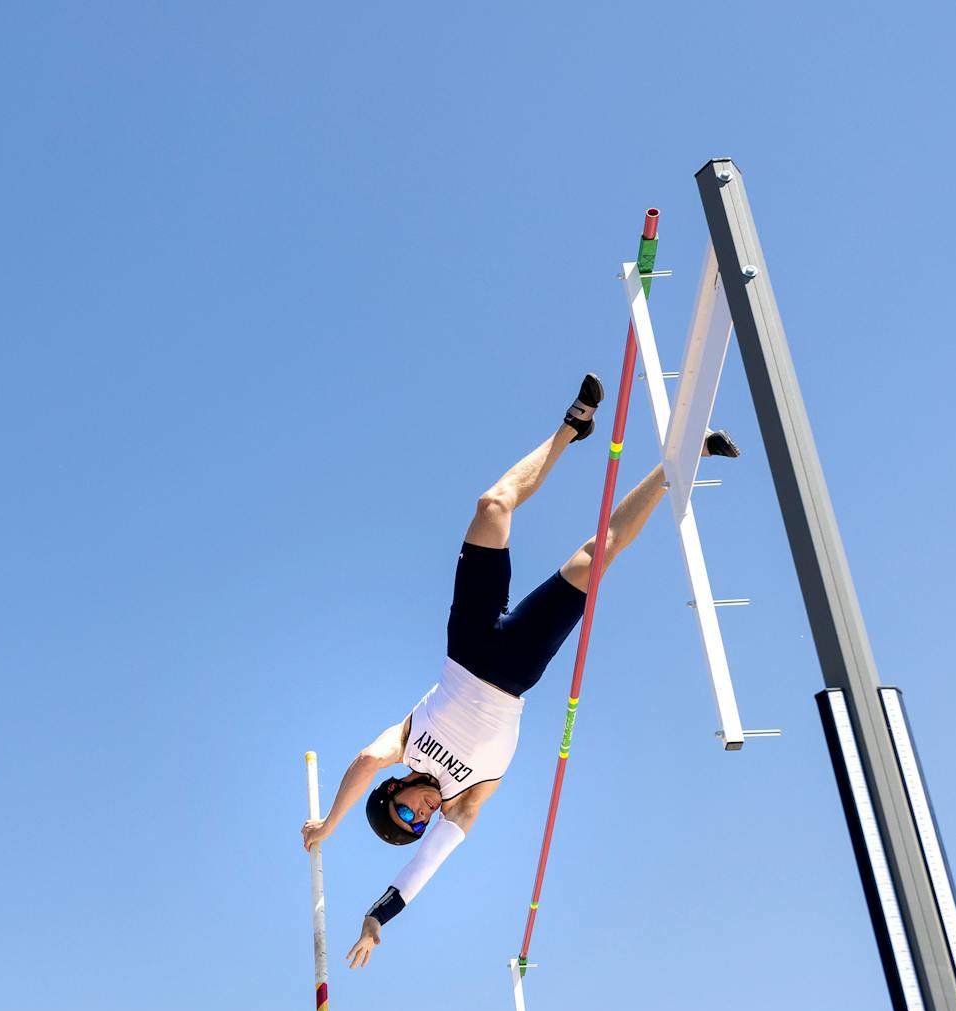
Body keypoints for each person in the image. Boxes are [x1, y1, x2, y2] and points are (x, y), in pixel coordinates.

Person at [299, 374, 737, 969]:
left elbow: (364, 761)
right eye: (417, 824)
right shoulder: (465, 801)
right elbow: (420, 871)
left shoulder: (401, 748)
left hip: (467, 645)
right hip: (516, 670)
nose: (420, 815)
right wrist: (377, 921)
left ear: (395, 790)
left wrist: (328, 825)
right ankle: (678, 466)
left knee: (492, 506)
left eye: (405, 811)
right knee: (597, 554)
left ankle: (570, 430)